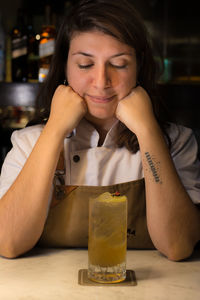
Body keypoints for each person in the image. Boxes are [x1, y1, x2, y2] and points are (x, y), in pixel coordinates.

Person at [0, 0, 200, 260]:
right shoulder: (28, 143)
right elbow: (7, 242)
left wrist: (148, 130)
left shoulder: (177, 142)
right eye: (85, 64)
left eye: (118, 64)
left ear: (139, 66)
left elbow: (177, 246)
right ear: (64, 67)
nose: (101, 81)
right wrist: (54, 130)